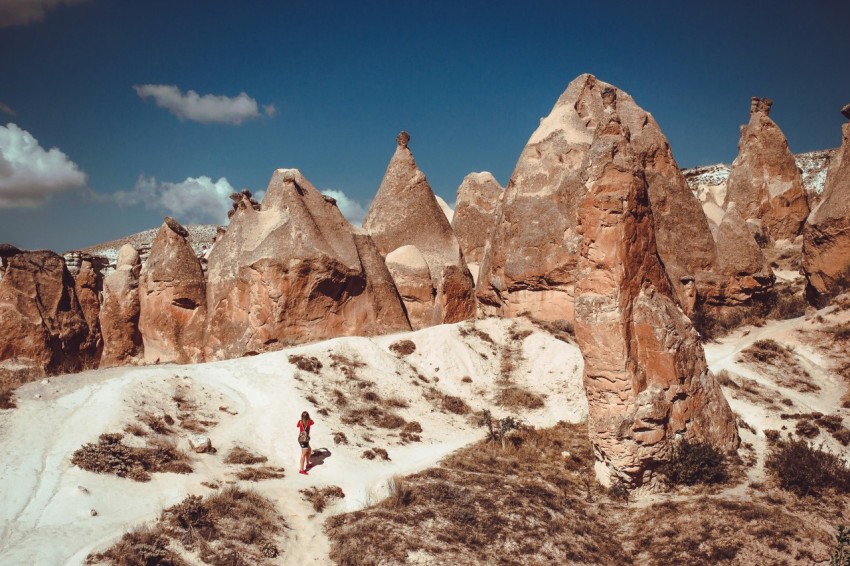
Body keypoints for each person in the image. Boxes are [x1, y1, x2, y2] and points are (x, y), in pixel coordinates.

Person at [297, 411, 314, 475]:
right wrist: (309, 418)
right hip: (305, 440)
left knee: (309, 450)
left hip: (301, 439)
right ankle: (301, 470)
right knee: (303, 454)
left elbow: (297, 426)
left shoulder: (300, 422)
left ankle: (307, 464)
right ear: (308, 416)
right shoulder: (309, 422)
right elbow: (313, 422)